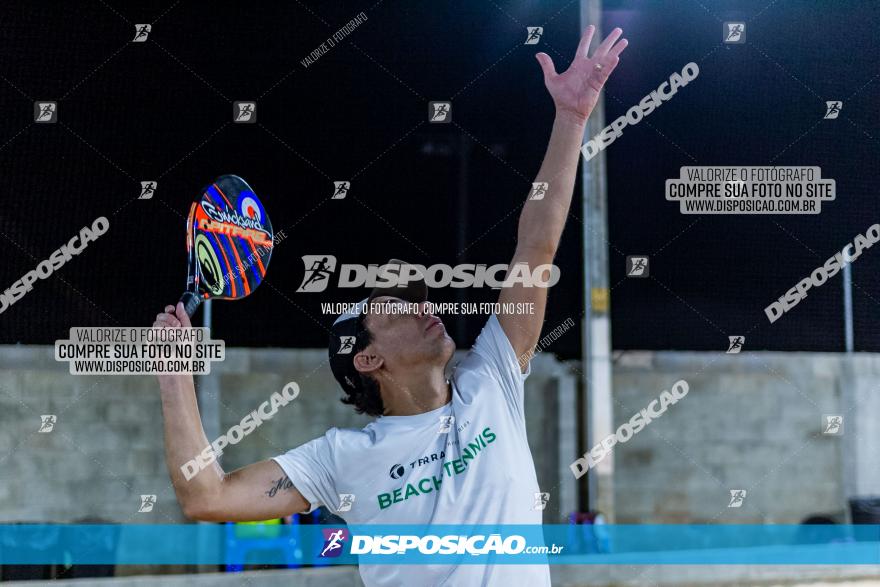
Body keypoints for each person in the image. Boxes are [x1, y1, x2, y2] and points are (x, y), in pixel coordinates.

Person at [153, 25, 627, 587]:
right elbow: (205, 495)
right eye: (393, 311)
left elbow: (536, 246)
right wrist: (174, 375)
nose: (423, 310)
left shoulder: (493, 378)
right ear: (367, 358)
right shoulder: (341, 459)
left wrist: (572, 120)